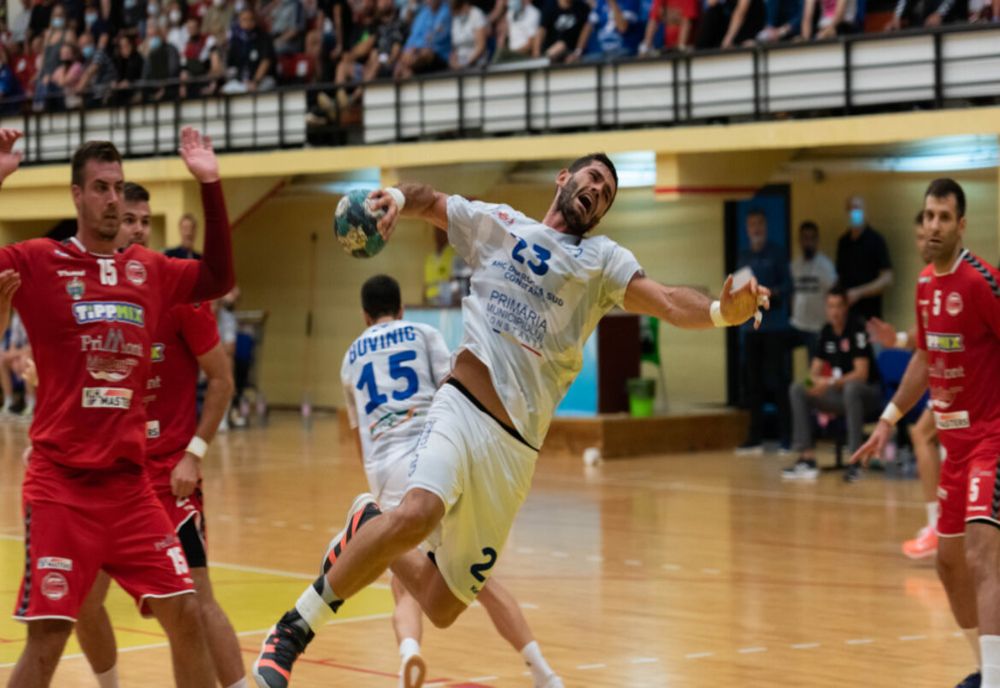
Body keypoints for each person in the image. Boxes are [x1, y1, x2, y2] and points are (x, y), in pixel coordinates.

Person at [252, 152, 770, 687]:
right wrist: (398, 199)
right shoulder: (498, 224)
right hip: (460, 405)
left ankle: (366, 520)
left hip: (516, 451)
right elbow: (431, 201)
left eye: (608, 193)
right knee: (419, 512)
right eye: (592, 178)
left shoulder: (601, 261)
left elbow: (665, 299)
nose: (598, 191)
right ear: (564, 179)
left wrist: (717, 313)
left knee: (442, 604)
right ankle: (292, 632)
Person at [0, 126, 235, 688]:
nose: (111, 198)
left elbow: (220, 277)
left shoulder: (148, 271)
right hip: (61, 486)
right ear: (77, 195)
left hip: (131, 490)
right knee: (50, 635)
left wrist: (210, 184)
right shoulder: (39, 262)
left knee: (185, 612)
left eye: (118, 187)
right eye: (101, 188)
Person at [331, 273, 564, 688]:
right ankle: (542, 671)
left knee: (403, 587)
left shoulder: (350, 358)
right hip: (434, 465)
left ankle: (409, 654)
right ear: (401, 309)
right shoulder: (423, 333)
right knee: (481, 580)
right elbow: (451, 390)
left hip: (386, 473)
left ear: (365, 317)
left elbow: (357, 437)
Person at [71, 181, 243, 688]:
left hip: (170, 479)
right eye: (129, 220)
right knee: (83, 600)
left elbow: (223, 379)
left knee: (196, 604)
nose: (139, 229)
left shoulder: (176, 293)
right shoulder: (92, 295)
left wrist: (195, 452)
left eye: (146, 221)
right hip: (109, 477)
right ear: (109, 222)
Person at [853, 179, 1000, 688]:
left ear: (961, 225)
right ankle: (986, 671)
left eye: (944, 217)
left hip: (991, 442)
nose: (934, 225)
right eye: (928, 215)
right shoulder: (923, 285)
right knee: (947, 564)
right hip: (955, 451)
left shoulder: (982, 283)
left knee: (984, 555)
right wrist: (888, 420)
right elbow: (924, 357)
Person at [866, 211, 940, 560]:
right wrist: (895, 338)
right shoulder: (927, 281)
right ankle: (941, 526)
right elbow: (923, 340)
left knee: (925, 436)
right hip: (951, 386)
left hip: (974, 386)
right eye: (918, 236)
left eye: (928, 235)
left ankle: (939, 526)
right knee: (927, 437)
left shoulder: (967, 280)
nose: (923, 242)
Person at [782, 286, 881, 481]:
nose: (834, 311)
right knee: (798, 388)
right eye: (830, 306)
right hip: (839, 394)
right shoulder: (826, 332)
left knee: (851, 389)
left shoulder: (857, 328)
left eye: (838, 306)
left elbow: (861, 374)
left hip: (867, 395)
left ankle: (855, 461)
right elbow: (813, 373)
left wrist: (828, 382)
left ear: (846, 307)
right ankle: (807, 458)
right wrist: (811, 383)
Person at [735, 207, 791, 454]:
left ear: (765, 226)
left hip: (775, 327)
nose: (755, 229)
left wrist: (770, 293)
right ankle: (754, 437)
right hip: (751, 329)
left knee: (778, 382)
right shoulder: (743, 256)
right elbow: (737, 288)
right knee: (753, 384)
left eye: (759, 224)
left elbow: (788, 286)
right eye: (751, 225)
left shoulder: (777, 253)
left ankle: (786, 437)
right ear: (747, 229)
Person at [835, 195, 892, 322]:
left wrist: (859, 293)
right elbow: (839, 278)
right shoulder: (843, 242)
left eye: (857, 208)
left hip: (871, 318)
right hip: (847, 318)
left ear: (864, 211)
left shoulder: (876, 240)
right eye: (850, 209)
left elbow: (887, 279)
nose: (854, 212)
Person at [789, 220, 837, 358]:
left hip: (818, 327)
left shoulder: (826, 266)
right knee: (777, 348)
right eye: (805, 238)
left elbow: (833, 296)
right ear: (800, 240)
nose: (808, 242)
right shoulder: (794, 266)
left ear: (817, 240)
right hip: (797, 324)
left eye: (812, 238)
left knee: (815, 366)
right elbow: (792, 293)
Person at [395, 0, 451, 78]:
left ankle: (408, 70)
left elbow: (437, 39)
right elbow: (413, 38)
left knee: (425, 53)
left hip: (440, 54)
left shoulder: (447, 11)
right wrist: (409, 51)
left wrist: (417, 49)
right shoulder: (423, 13)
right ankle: (408, 72)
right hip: (419, 53)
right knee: (402, 58)